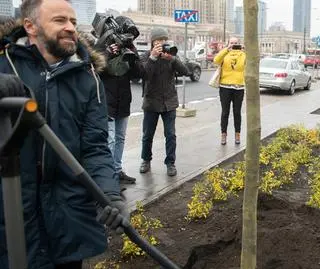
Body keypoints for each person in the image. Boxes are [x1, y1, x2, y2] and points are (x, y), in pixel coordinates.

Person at [0, 1, 128, 268]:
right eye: (60, 21)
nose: (71, 28)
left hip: (67, 220)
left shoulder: (88, 77)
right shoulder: (4, 65)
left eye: (72, 21)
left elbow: (95, 147)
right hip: (12, 217)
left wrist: (109, 193)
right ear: (30, 26)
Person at [95, 16, 144, 188]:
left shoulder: (128, 48)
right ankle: (108, 176)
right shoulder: (100, 46)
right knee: (110, 140)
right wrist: (108, 53)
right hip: (106, 101)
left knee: (120, 138)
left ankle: (117, 170)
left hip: (123, 100)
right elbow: (93, 70)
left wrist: (132, 53)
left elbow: (139, 74)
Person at [139, 27, 189, 176]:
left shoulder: (171, 55)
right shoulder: (146, 56)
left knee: (171, 135)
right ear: (152, 42)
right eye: (158, 40)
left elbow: (185, 71)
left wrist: (172, 59)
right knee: (148, 135)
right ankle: (146, 160)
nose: (161, 43)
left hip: (169, 102)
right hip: (151, 102)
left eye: (163, 40)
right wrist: (153, 58)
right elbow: (144, 74)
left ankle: (170, 163)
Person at [213, 37, 246, 145]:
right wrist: (226, 49)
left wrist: (245, 50)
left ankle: (237, 135)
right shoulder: (225, 54)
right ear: (228, 44)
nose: (233, 45)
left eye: (236, 43)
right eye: (231, 43)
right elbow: (216, 60)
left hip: (239, 87)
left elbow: (251, 62)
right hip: (225, 87)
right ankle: (223, 135)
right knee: (225, 112)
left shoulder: (243, 55)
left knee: (237, 113)